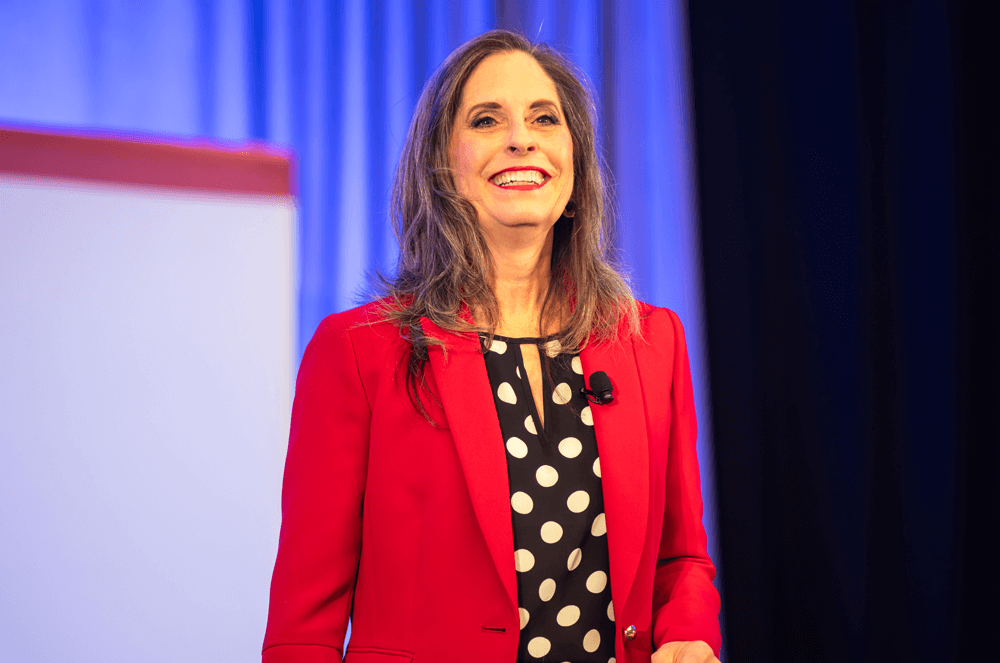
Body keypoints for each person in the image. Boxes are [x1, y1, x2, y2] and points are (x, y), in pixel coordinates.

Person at [263, 29, 721, 663]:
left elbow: (681, 560)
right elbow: (303, 629)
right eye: (486, 119)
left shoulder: (651, 342)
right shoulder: (358, 352)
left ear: (575, 161)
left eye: (544, 118)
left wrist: (688, 634)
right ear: (441, 163)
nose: (521, 138)